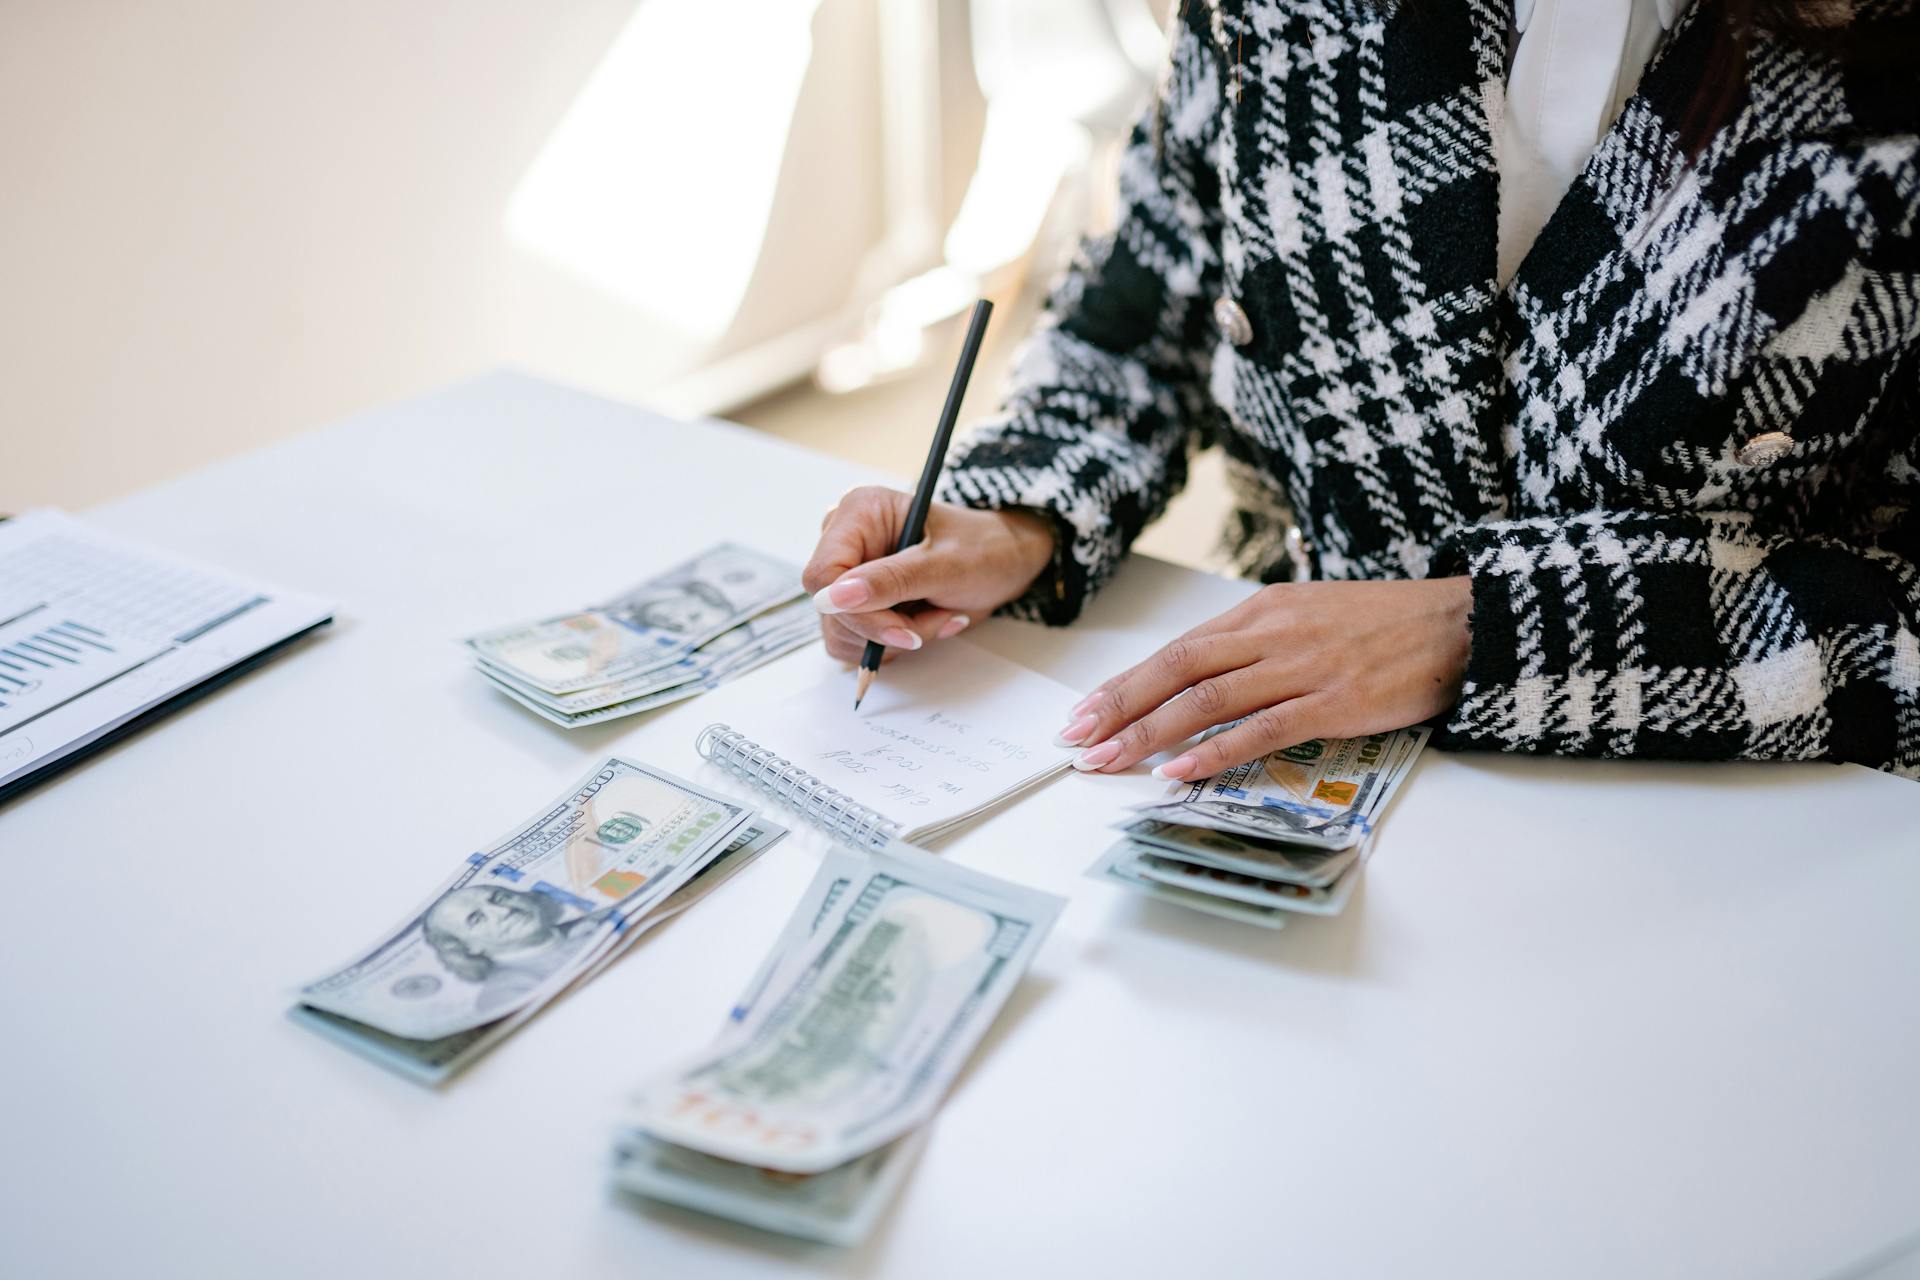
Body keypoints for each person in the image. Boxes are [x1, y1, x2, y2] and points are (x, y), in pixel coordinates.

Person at [804, 0, 1920, 781]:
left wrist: (1493, 629)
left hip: (1748, 841)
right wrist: (1015, 505)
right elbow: (1146, 306)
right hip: (1278, 784)